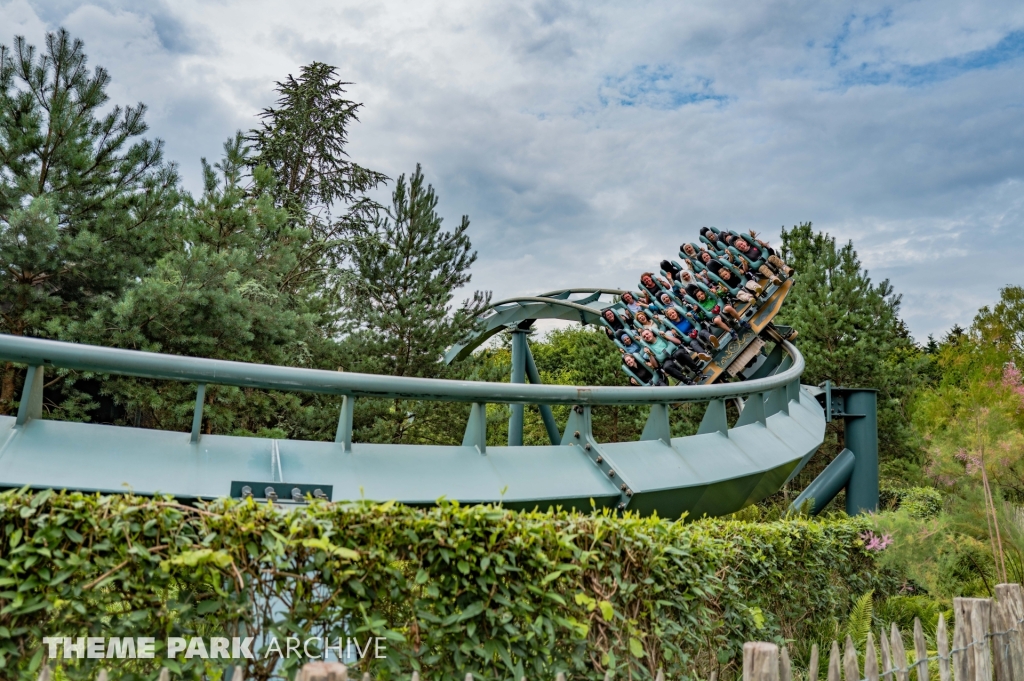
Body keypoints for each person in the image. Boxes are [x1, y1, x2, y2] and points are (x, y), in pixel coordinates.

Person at [638, 327, 702, 383]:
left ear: (651, 333)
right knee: (666, 367)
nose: (646, 336)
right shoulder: (648, 348)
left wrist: (666, 336)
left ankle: (698, 371)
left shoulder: (661, 336)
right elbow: (656, 366)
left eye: (647, 334)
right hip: (666, 360)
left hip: (675, 353)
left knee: (679, 353)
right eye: (644, 336)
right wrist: (649, 354)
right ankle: (687, 381)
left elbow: (678, 342)